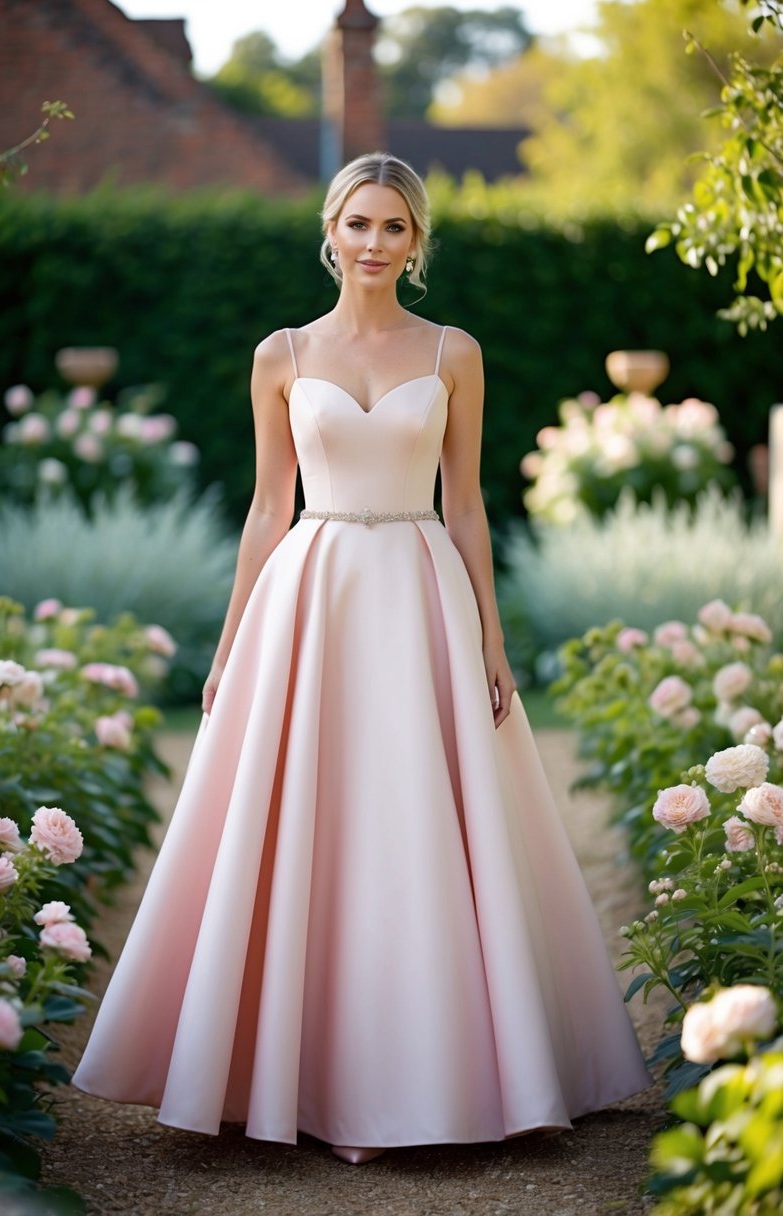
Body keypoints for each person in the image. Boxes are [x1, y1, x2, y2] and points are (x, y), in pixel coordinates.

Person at [71, 151, 651, 1166]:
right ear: (329, 232)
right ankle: (293, 1080)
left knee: (418, 824)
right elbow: (266, 506)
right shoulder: (281, 354)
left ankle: (441, 1077)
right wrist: (230, 640)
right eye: (358, 223)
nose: (374, 242)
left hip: (420, 586)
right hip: (315, 592)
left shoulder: (451, 354)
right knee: (310, 821)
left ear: (416, 240)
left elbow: (465, 505)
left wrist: (488, 638)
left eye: (393, 226)